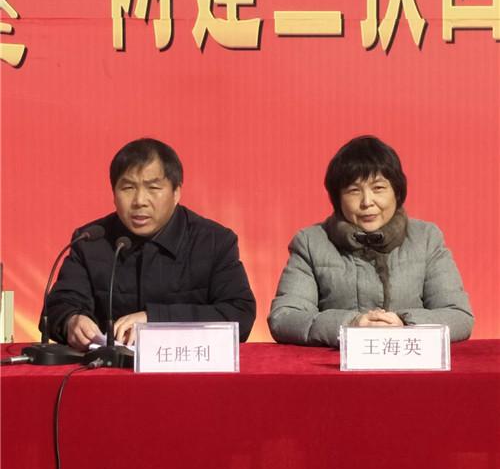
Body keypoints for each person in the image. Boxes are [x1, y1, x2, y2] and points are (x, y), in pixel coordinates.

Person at [46, 138, 256, 348]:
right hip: (109, 365)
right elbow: (58, 306)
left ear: (176, 192)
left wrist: (156, 320)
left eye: (153, 188)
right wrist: (71, 320)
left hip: (184, 365)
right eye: (128, 188)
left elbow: (240, 314)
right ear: (113, 193)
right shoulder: (91, 240)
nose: (139, 201)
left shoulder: (213, 241)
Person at [268, 136, 473, 346]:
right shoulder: (311, 242)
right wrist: (351, 325)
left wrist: (404, 324)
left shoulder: (426, 238)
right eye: (354, 191)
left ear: (397, 192)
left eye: (378, 188)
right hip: (336, 364)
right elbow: (284, 318)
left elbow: (459, 316)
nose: (367, 202)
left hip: (410, 360)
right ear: (337, 199)